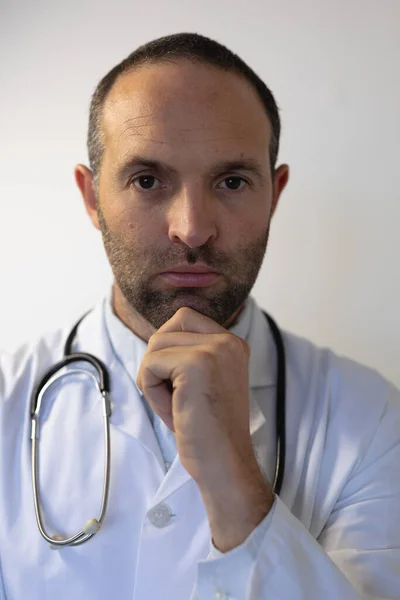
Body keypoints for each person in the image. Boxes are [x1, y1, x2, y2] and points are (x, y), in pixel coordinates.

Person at [0, 32, 399, 600]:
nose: (191, 228)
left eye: (232, 182)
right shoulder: (8, 402)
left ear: (275, 194)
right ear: (91, 198)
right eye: (147, 181)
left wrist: (237, 480)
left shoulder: (374, 419)